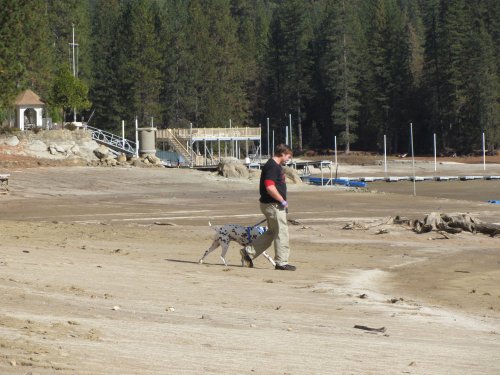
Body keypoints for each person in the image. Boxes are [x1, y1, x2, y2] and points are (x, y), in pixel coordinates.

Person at [240, 144, 296, 271]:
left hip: (271, 204)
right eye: (288, 156)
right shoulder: (272, 166)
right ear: (282, 154)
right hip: (273, 205)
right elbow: (269, 187)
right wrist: (282, 200)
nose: (289, 159)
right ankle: (281, 262)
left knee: (272, 232)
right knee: (281, 233)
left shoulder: (275, 166)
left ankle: (248, 253)